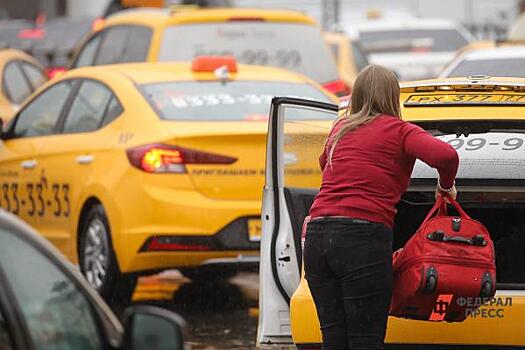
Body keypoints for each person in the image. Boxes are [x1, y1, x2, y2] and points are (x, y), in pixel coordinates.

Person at [303, 64, 459, 350]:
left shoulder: (340, 129)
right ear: (392, 96)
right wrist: (446, 187)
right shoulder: (401, 131)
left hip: (317, 237)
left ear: (357, 95)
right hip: (361, 239)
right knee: (366, 340)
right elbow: (446, 155)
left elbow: (325, 164)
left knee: (334, 339)